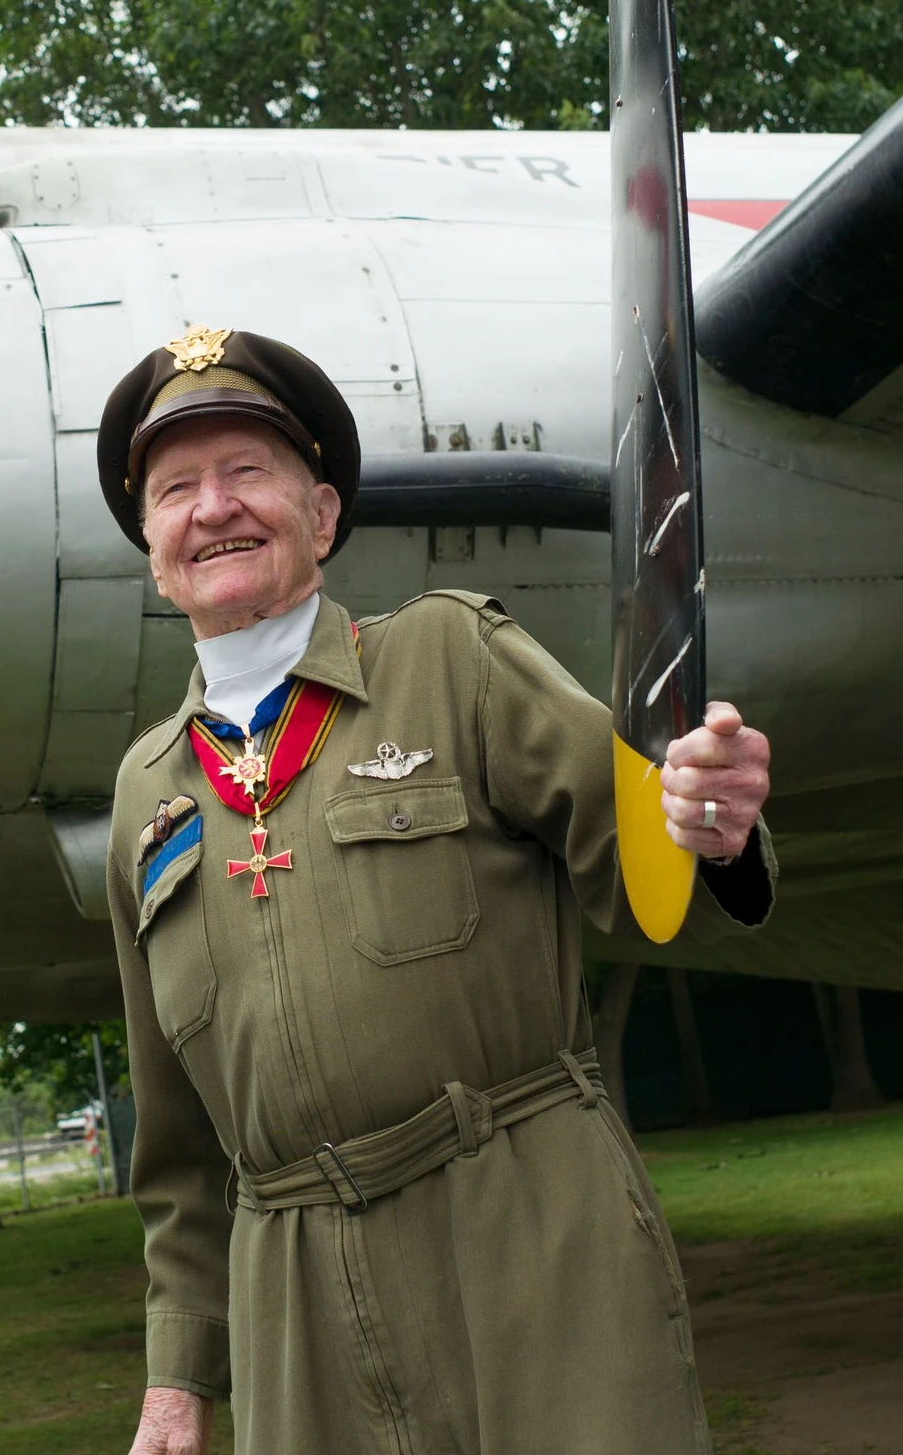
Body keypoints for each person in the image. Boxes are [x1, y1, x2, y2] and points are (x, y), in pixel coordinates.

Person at [99, 326, 776, 1455]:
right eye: (176, 490)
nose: (212, 506)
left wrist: (711, 823)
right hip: (293, 1292)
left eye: (245, 472)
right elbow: (174, 1134)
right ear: (155, 551)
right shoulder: (146, 793)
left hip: (522, 1227)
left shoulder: (452, 656)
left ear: (320, 516)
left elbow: (643, 866)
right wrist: (179, 1375)